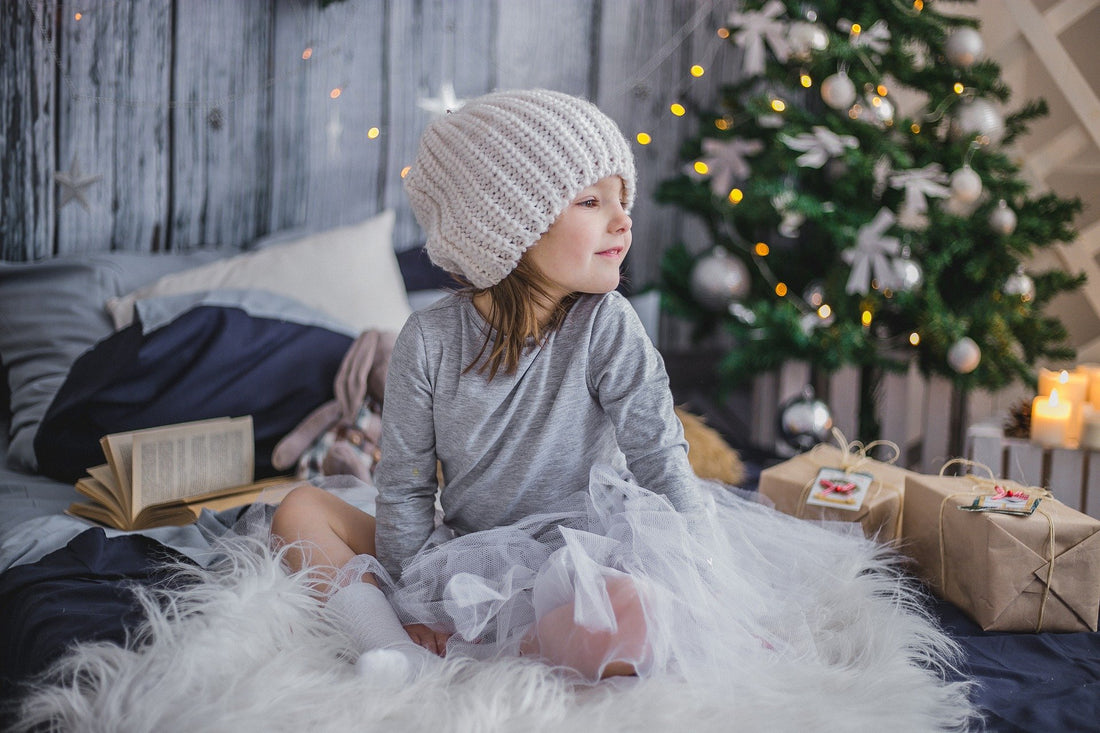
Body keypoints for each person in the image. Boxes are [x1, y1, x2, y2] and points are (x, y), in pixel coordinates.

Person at [270, 90, 968, 701]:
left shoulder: (607, 325)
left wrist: (708, 593)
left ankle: (491, 660)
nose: (623, 220)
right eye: (592, 201)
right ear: (514, 222)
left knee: (630, 609)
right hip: (471, 545)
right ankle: (392, 650)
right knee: (298, 507)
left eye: (621, 199)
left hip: (585, 547)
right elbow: (404, 487)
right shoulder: (429, 339)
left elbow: (663, 459)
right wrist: (421, 595)